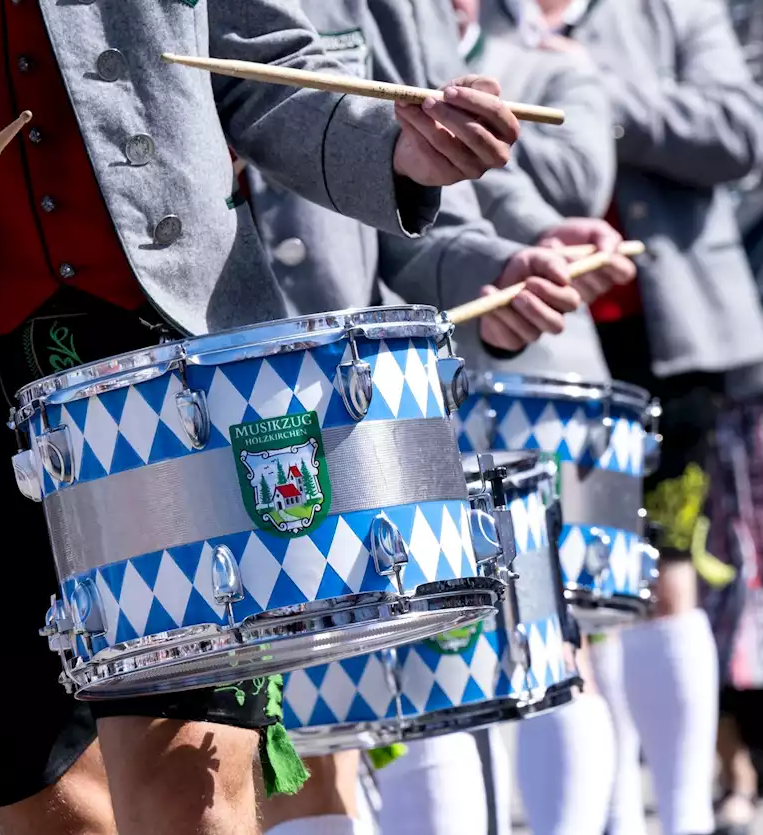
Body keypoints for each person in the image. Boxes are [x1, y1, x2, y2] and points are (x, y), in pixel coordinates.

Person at [0, 4, 535, 834]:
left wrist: (391, 144)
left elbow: (264, 59)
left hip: (169, 380)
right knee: (54, 809)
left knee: (194, 787)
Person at [256, 2, 629, 833]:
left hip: (358, 397)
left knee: (420, 693)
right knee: (271, 749)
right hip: (175, 408)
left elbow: (434, 216)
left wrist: (493, 274)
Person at [487, 1, 763, 833]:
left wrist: (590, 89)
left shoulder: (673, 10)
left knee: (664, 570)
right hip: (538, 340)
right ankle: (612, 816)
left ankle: (682, 816)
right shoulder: (470, 18)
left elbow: (739, 133)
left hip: (669, 338)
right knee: (567, 590)